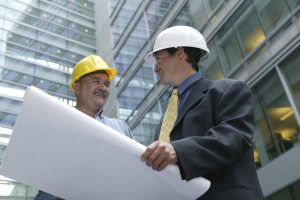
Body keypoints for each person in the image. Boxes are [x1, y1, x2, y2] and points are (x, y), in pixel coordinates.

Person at [141, 26, 264, 200]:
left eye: (159, 59)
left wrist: (178, 151)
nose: (156, 68)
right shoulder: (165, 118)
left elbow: (233, 138)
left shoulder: (228, 90)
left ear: (179, 53)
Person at [34, 55, 133, 200]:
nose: (103, 88)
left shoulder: (121, 128)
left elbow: (134, 173)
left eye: (106, 84)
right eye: (96, 81)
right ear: (77, 87)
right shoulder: (57, 126)